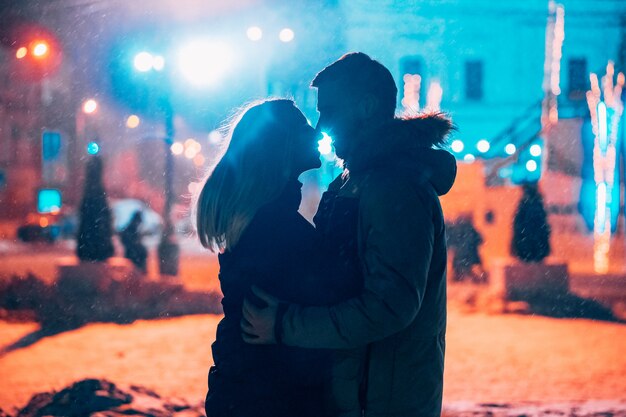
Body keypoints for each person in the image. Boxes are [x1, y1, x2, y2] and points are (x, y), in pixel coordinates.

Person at [242, 52, 457, 417]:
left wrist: (284, 325)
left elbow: (389, 306)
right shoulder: (354, 180)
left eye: (330, 111)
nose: (321, 125)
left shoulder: (395, 187)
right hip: (357, 390)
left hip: (381, 400)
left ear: (367, 107)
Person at [196, 99, 341, 417]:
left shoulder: (266, 217)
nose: (317, 133)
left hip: (250, 390)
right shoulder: (274, 226)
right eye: (304, 127)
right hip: (273, 396)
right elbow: (330, 295)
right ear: (283, 146)